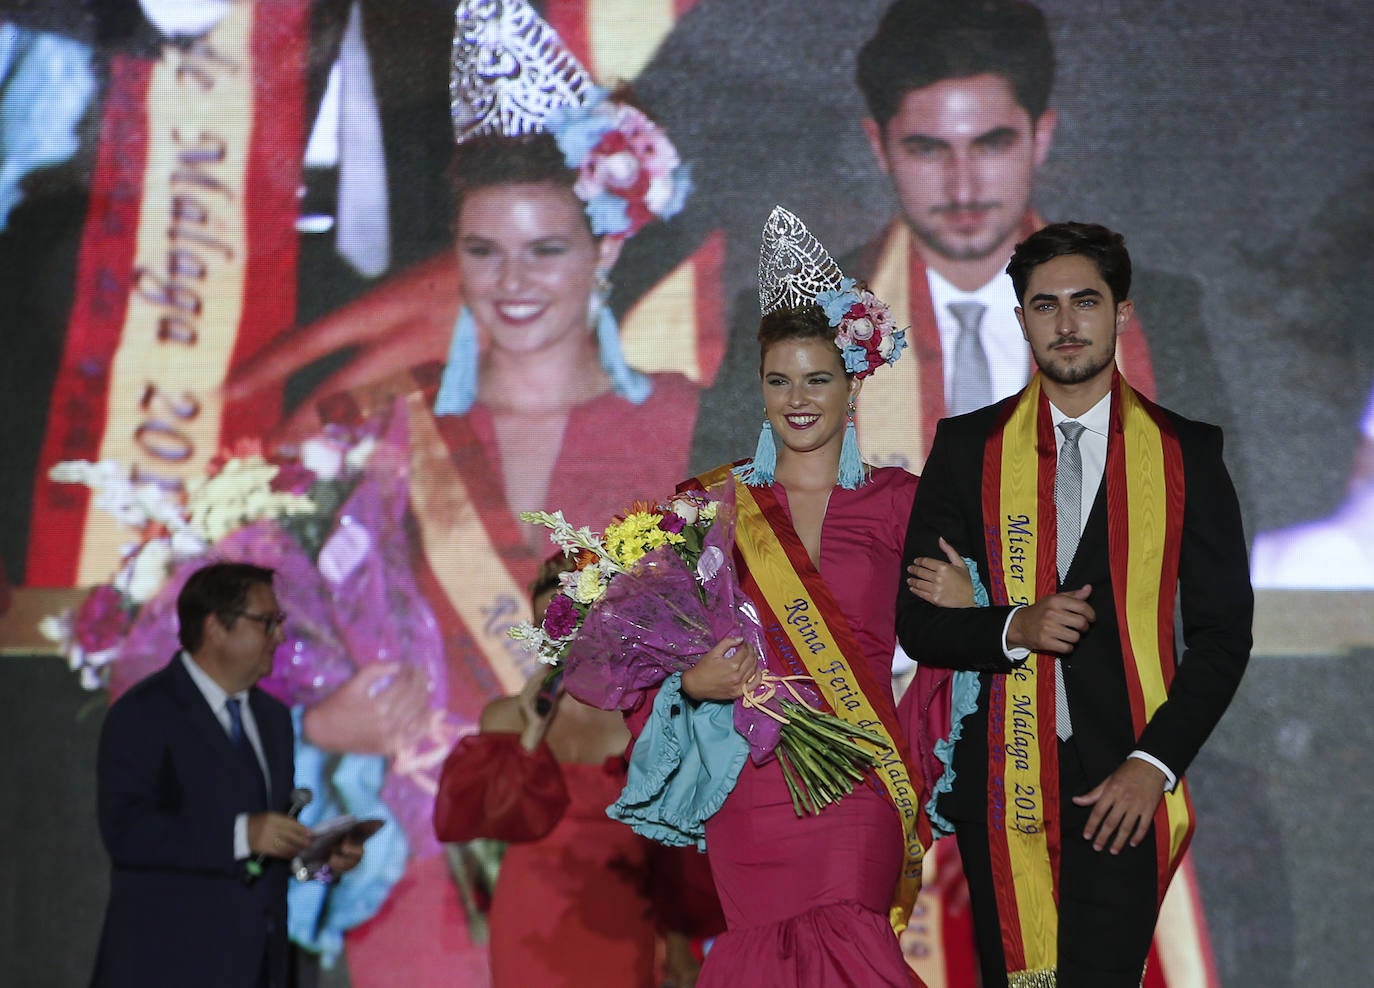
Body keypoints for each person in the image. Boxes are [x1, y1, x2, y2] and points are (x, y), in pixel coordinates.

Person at [270, 1, 702, 981]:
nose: (512, 282)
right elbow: (251, 631)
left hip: (620, 881)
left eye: (546, 248)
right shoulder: (379, 429)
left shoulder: (693, 427)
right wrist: (320, 717)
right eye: (483, 249)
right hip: (428, 886)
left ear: (607, 250)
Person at [611, 206, 971, 987]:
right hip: (749, 788)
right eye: (779, 380)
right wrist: (691, 684)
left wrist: (967, 599)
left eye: (818, 378)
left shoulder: (903, 500)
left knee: (849, 951)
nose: (798, 398)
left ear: (854, 381)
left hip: (858, 779)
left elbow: (969, 642)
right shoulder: (707, 507)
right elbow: (640, 654)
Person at [896, 221, 1252, 987]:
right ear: (1020, 319)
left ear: (1121, 313)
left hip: (1122, 782)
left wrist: (1153, 764)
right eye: (1044, 305)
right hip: (1002, 778)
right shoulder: (966, 448)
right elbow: (919, 621)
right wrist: (1012, 625)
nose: (1065, 324)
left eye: (1085, 302)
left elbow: (1224, 638)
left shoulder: (1187, 452)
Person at [845, 0, 1228, 477]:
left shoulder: (1159, 316)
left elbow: (1220, 533)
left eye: (991, 145)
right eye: (927, 150)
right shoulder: (804, 320)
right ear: (878, 147)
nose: (962, 187)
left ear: (1041, 137)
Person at [433, 555, 723, 987]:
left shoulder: (642, 713)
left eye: (570, 624)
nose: (561, 640)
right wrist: (532, 738)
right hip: (530, 922)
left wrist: (679, 945)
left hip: (623, 915)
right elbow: (479, 819)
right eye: (547, 628)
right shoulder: (509, 717)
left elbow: (672, 848)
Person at [90, 561, 363, 988]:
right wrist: (242, 834)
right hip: (166, 967)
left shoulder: (273, 721)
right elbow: (127, 832)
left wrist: (317, 862)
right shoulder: (144, 713)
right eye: (266, 623)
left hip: (259, 968)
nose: (279, 637)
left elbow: (258, 863)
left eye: (280, 622)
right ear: (216, 626)